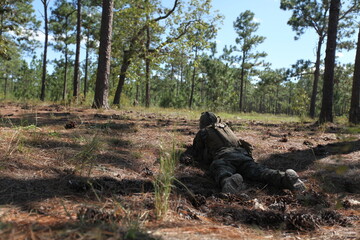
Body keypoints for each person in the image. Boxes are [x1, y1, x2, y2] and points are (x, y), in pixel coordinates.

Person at [187, 112, 306, 194]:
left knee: (219, 168)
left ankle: (227, 181)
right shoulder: (225, 127)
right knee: (260, 171)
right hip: (242, 155)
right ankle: (284, 178)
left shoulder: (203, 132)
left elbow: (196, 153)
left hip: (224, 157)